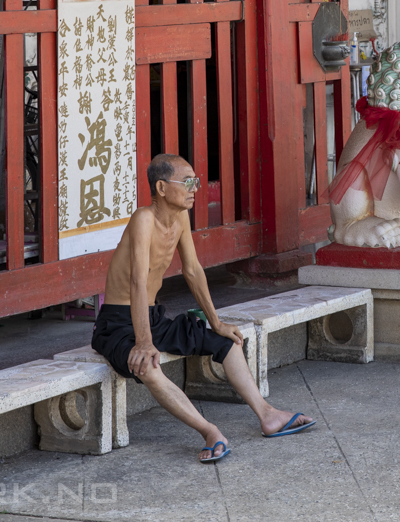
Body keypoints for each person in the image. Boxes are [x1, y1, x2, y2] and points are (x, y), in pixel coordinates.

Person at [91, 153, 315, 463]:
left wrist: (217, 322)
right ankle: (210, 431)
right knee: (147, 366)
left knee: (226, 341)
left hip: (151, 316)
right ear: (161, 188)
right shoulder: (143, 219)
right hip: (118, 323)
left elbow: (193, 270)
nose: (196, 188)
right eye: (188, 182)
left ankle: (268, 414)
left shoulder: (180, 218)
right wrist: (144, 342)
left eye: (196, 181)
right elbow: (136, 282)